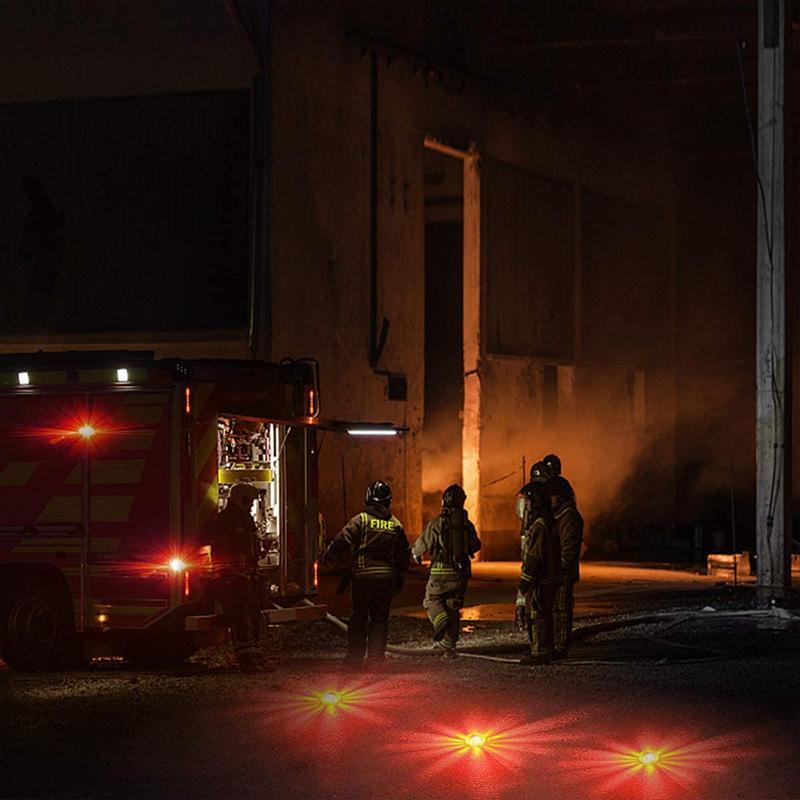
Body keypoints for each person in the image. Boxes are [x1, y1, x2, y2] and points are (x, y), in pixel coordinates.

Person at [321, 480, 410, 668]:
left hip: (363, 577)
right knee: (380, 620)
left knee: (359, 619)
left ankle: (355, 660)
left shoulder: (361, 520)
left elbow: (342, 540)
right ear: (388, 500)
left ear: (368, 498)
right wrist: (399, 577)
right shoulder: (395, 524)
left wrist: (328, 557)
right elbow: (403, 554)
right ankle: (376, 661)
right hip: (385, 579)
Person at [412, 484, 481, 658]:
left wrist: (415, 554)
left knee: (431, 600)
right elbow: (476, 545)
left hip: (440, 571)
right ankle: (448, 647)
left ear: (444, 501)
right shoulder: (467, 524)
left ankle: (441, 622)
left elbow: (422, 545)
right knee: (453, 607)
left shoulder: (438, 523)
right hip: (460, 573)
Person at [205, 482, 266, 672]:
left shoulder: (244, 519)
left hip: (247, 576)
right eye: (249, 500)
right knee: (241, 620)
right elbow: (221, 552)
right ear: (241, 499)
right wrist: (229, 573)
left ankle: (256, 657)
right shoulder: (226, 521)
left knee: (253, 617)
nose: (251, 504)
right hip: (233, 579)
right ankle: (247, 662)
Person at [517, 481, 561, 665]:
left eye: (527, 502)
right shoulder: (548, 521)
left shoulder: (539, 525)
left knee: (537, 614)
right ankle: (547, 649)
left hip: (541, 579)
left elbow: (534, 556)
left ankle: (540, 652)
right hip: (549, 576)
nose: (525, 506)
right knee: (545, 613)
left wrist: (525, 581)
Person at [549, 475, 584, 658]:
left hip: (563, 572)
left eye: (553, 496)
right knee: (554, 609)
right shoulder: (560, 515)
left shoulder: (568, 516)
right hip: (556, 571)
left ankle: (560, 647)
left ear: (561, 496)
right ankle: (554, 645)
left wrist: (560, 568)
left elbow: (569, 548)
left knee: (561, 609)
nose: (550, 500)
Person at [514, 461, 550, 631]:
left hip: (527, 535)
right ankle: (527, 610)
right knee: (535, 570)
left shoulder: (525, 492)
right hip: (537, 533)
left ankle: (522, 608)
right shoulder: (546, 491)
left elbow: (519, 514)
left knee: (527, 568)